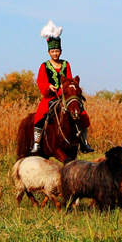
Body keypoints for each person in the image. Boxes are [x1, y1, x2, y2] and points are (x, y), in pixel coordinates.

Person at [31, 21, 94, 154]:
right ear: (49, 52)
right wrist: (49, 87)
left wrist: (66, 89)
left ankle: (84, 143)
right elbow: (40, 81)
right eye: (53, 51)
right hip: (50, 96)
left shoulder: (66, 64)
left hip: (66, 95)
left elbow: (70, 80)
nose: (55, 53)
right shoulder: (44, 66)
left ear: (61, 51)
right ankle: (37, 143)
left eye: (57, 51)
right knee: (39, 115)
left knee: (82, 113)